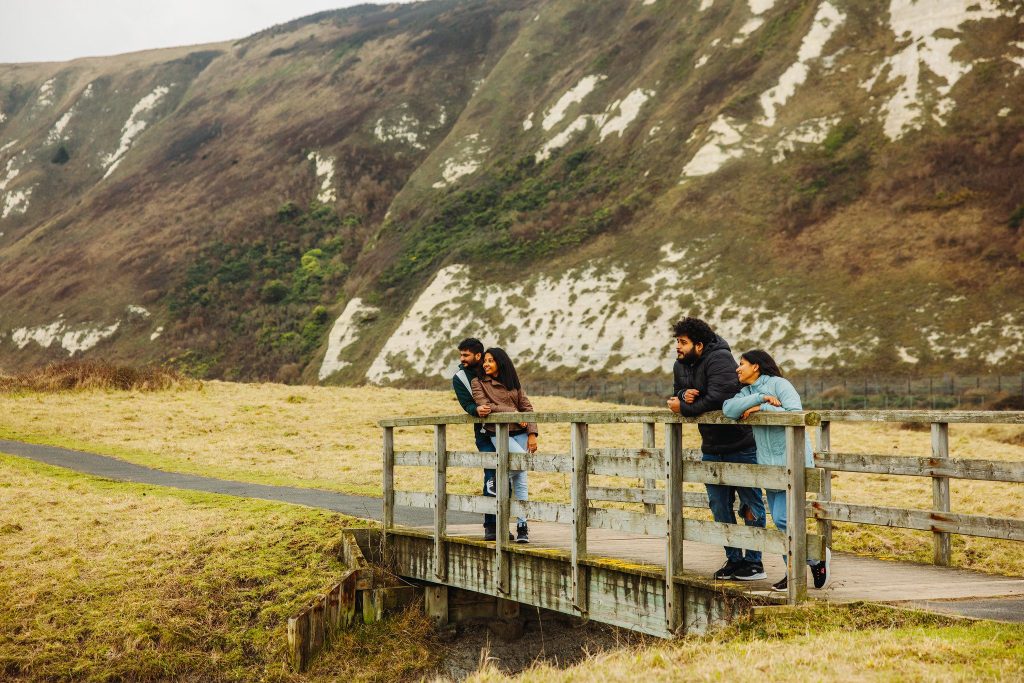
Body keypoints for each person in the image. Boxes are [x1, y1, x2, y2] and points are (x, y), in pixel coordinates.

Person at [667, 317, 767, 581]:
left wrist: (685, 406)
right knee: (719, 506)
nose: (678, 347)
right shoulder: (680, 365)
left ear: (699, 345)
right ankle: (734, 560)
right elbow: (677, 393)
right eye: (677, 341)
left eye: (683, 342)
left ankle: (755, 563)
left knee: (750, 503)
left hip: (740, 445)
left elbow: (721, 398)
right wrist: (683, 395)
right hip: (711, 445)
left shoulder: (720, 358)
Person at [722, 349, 829, 591]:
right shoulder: (747, 392)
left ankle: (799, 570)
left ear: (756, 366)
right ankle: (811, 561)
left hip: (792, 459)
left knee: (783, 519)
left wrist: (762, 410)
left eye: (742, 364)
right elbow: (729, 410)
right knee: (782, 521)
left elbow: (795, 415)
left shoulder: (780, 385)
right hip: (769, 466)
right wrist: (759, 399)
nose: (737, 368)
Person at [471, 347, 537, 543]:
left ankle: (522, 526)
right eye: (485, 361)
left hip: (521, 433)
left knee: (521, 480)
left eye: (490, 360)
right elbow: (487, 406)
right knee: (518, 467)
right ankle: (497, 497)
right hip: (499, 433)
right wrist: (514, 414)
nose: (486, 364)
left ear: (500, 362)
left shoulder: (513, 382)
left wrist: (532, 433)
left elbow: (527, 407)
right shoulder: (479, 383)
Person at [452, 338, 505, 541]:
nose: (462, 359)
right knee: (491, 476)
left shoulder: (492, 368)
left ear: (478, 355)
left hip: (505, 431)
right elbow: (466, 404)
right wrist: (476, 409)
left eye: (466, 355)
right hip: (484, 433)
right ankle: (491, 526)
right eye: (461, 355)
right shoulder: (460, 377)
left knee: (509, 476)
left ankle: (512, 524)